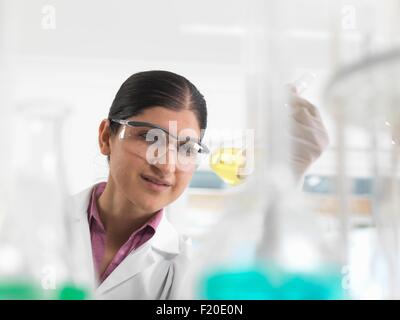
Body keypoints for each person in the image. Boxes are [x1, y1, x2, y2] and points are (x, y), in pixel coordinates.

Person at [68, 70, 329, 299]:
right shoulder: (39, 223)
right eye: (149, 137)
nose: (166, 165)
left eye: (186, 148)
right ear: (106, 137)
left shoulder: (186, 269)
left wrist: (284, 179)